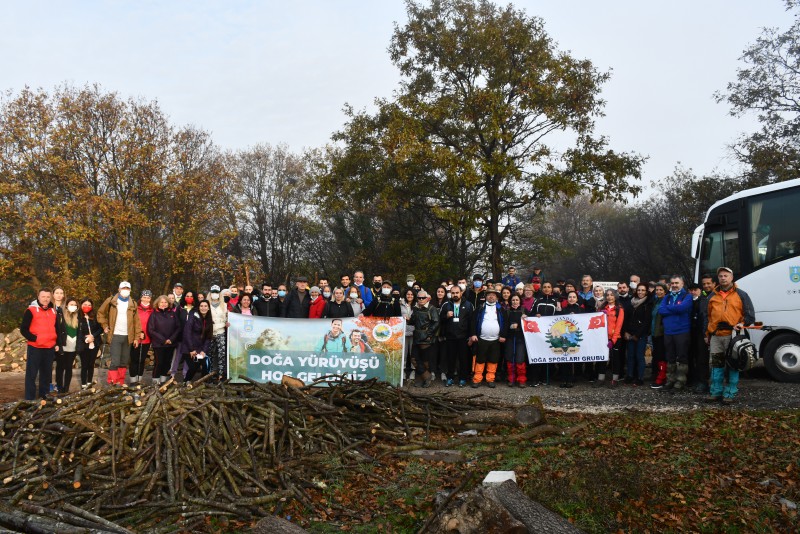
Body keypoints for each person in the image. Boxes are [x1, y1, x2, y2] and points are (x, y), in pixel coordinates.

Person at [703, 267, 756, 404]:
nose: (723, 278)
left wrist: (742, 324)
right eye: (720, 276)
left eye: (726, 275)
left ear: (732, 277)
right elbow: (707, 317)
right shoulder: (712, 296)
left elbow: (750, 316)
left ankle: (730, 393)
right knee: (716, 365)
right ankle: (716, 392)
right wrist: (707, 333)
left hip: (733, 337)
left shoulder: (741, 294)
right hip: (716, 336)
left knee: (733, 364)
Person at [97, 281, 142, 386]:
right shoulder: (111, 301)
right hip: (115, 336)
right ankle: (112, 383)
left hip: (128, 337)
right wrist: (104, 325)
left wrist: (136, 337)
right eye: (123, 288)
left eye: (127, 288)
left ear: (130, 290)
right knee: (115, 362)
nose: (125, 290)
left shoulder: (133, 303)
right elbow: (100, 313)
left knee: (124, 362)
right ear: (119, 289)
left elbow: (137, 322)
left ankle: (120, 383)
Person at [21, 288, 58, 400]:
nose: (46, 299)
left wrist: (55, 341)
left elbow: (56, 327)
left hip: (49, 347)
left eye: (48, 297)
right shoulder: (31, 310)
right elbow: (23, 329)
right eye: (43, 296)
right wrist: (35, 338)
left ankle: (44, 396)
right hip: (35, 347)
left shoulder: (53, 311)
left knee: (46, 374)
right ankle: (29, 399)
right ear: (38, 297)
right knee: (32, 375)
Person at [658, 275, 693, 391]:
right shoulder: (667, 297)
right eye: (672, 283)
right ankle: (670, 380)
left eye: (676, 283)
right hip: (668, 331)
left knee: (682, 357)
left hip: (682, 331)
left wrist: (670, 308)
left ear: (682, 284)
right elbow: (661, 310)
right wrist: (674, 308)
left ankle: (680, 381)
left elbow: (682, 308)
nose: (674, 285)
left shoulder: (687, 296)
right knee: (670, 357)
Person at [470, 288, 507, 388]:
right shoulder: (480, 308)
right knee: (480, 359)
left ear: (497, 297)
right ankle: (477, 379)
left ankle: (490, 379)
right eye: (489, 295)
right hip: (481, 339)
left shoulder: (501, 309)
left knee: (493, 360)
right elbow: (473, 321)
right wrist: (473, 334)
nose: (491, 296)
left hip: (496, 340)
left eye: (493, 295)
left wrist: (503, 335)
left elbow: (505, 323)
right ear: (486, 297)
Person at [439, 284, 474, 387]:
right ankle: (450, 378)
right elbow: (440, 319)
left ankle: (462, 379)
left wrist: (471, 336)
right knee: (450, 359)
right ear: (450, 293)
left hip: (463, 337)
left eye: (457, 293)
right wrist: (446, 316)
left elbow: (472, 322)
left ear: (461, 293)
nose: (455, 295)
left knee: (463, 359)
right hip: (450, 337)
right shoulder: (446, 305)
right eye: (453, 293)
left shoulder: (468, 305)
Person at [529, 281, 561, 386]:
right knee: (537, 355)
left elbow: (559, 316)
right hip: (538, 333)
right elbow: (531, 314)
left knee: (547, 355)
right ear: (542, 289)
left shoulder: (555, 301)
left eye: (549, 287)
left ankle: (545, 378)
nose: (547, 289)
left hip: (550, 332)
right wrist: (535, 315)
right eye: (545, 287)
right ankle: (534, 379)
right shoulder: (538, 300)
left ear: (551, 289)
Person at [147, 295, 182, 385]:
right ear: (157, 303)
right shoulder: (154, 314)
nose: (163, 304)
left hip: (171, 343)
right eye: (161, 302)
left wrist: (171, 339)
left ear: (168, 303)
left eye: (165, 302)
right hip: (159, 343)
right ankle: (155, 381)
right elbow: (150, 330)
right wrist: (163, 340)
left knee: (167, 362)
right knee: (159, 362)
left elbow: (178, 327)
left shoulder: (173, 314)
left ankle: (163, 381)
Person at [623, 284, 652, 386]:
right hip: (629, 333)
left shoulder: (647, 304)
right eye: (639, 290)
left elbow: (647, 322)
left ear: (646, 292)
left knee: (639, 356)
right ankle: (630, 375)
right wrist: (625, 331)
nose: (640, 292)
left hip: (640, 335)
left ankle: (640, 377)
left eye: (643, 290)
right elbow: (626, 318)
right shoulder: (631, 302)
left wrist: (638, 335)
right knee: (630, 356)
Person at [410, 290, 440, 387]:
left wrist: (428, 334)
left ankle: (425, 379)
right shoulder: (415, 308)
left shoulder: (432, 308)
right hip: (417, 337)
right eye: (419, 298)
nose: (421, 299)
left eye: (423, 298)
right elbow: (413, 321)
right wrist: (408, 319)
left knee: (425, 360)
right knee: (414, 359)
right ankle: (426, 377)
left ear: (427, 298)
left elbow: (436, 322)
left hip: (426, 338)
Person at [596, 289, 625, 387]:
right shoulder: (602, 307)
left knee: (615, 359)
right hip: (603, 337)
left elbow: (618, 326)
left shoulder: (619, 309)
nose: (609, 297)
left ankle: (615, 380)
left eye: (611, 295)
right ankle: (601, 378)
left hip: (615, 338)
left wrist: (613, 340)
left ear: (615, 296)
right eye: (607, 295)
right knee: (602, 359)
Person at [180, 300, 213, 382]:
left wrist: (203, 351)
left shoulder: (209, 320)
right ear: (199, 307)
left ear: (208, 308)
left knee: (205, 365)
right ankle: (185, 382)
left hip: (200, 349)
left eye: (205, 306)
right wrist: (191, 349)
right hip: (188, 348)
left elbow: (208, 338)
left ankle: (203, 384)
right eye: (201, 306)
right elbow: (187, 334)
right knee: (193, 367)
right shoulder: (193, 317)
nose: (203, 308)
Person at [77, 298, 103, 389]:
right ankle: (83, 384)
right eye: (85, 304)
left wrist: (93, 336)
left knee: (91, 364)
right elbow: (77, 331)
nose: (87, 306)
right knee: (84, 364)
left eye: (89, 305)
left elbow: (100, 328)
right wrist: (86, 338)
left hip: (94, 343)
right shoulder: (77, 316)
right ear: (81, 305)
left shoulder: (95, 316)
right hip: (83, 344)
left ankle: (89, 382)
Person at [54, 297, 80, 394]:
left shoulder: (78, 316)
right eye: (71, 304)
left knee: (69, 367)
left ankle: (66, 388)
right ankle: (59, 387)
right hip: (63, 345)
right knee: (60, 367)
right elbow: (56, 329)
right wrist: (57, 343)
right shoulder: (61, 316)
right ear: (66, 305)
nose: (73, 306)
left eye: (74, 305)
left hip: (73, 347)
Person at [559, 291, 584, 388]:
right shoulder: (563, 310)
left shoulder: (581, 310)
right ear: (567, 298)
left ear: (577, 299)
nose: (572, 299)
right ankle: (564, 379)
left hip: (575, 337)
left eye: (574, 297)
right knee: (565, 358)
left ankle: (571, 379)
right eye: (570, 297)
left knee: (573, 359)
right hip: (565, 337)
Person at [130, 290, 154, 386]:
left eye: (148, 297)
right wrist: (137, 332)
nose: (146, 299)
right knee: (134, 359)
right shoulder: (136, 308)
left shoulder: (152, 310)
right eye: (144, 297)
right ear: (141, 298)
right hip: (136, 337)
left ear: (150, 299)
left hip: (147, 338)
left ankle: (139, 378)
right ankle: (133, 379)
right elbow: (131, 322)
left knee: (142, 359)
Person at [504, 294, 527, 387]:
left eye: (517, 300)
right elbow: (504, 324)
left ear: (520, 301)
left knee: (520, 358)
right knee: (510, 358)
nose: (515, 302)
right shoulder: (507, 312)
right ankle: (511, 378)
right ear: (510, 301)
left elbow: (531, 322)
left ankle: (521, 380)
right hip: (510, 337)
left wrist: (525, 319)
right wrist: (510, 326)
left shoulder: (524, 311)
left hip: (521, 338)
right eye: (513, 300)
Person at [207, 285, 229, 380]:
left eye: (216, 292)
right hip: (210, 332)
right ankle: (210, 373)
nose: (215, 294)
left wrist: (227, 322)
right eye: (213, 292)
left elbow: (226, 318)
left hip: (221, 331)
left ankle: (220, 374)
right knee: (210, 353)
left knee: (221, 353)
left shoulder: (224, 305)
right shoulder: (207, 304)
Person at [649, 283, 668, 388]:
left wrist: (661, 329)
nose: (658, 292)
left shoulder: (666, 301)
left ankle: (662, 378)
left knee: (661, 356)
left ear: (665, 291)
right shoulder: (656, 301)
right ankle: (658, 375)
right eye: (657, 290)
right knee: (656, 355)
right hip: (654, 333)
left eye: (661, 290)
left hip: (662, 333)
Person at [400, 288, 416, 380]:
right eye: (408, 294)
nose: (410, 296)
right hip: (403, 331)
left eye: (412, 295)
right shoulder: (400, 304)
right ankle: (403, 370)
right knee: (404, 353)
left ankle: (413, 371)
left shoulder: (417, 305)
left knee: (413, 353)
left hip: (413, 331)